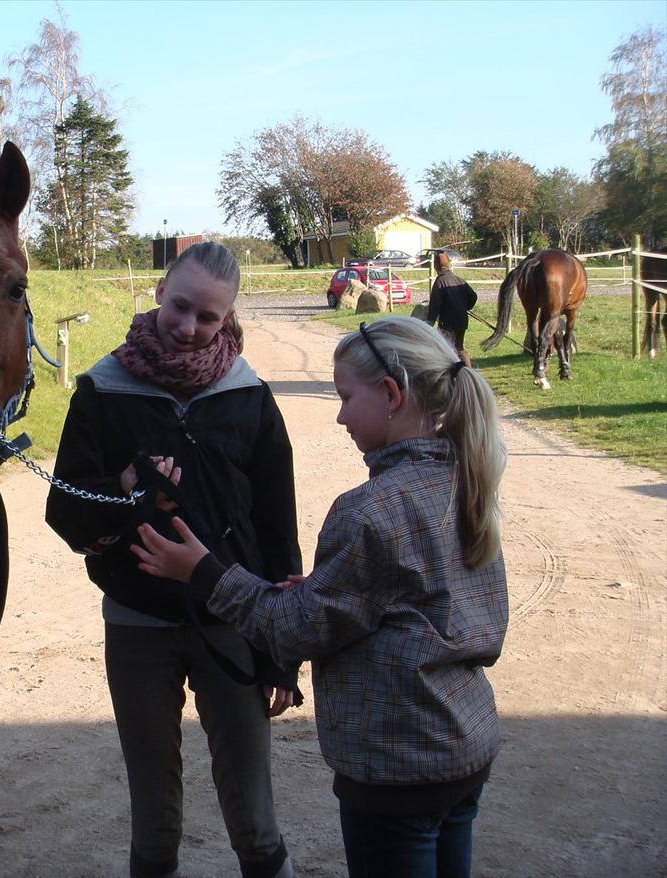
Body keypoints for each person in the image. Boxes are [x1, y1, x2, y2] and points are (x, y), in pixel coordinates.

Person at [132, 316, 509, 878]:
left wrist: (204, 572)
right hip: (462, 749)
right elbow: (417, 602)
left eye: (345, 397)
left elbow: (294, 630)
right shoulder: (465, 478)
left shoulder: (370, 510)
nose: (339, 416)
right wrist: (320, 592)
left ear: (390, 394)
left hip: (397, 767)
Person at [45, 241, 302, 878]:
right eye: (180, 307)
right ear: (160, 291)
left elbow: (278, 527)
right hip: (137, 624)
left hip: (233, 618)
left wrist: (281, 652)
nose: (188, 327)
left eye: (208, 317)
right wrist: (127, 489)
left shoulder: (250, 395)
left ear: (228, 317)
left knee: (255, 815)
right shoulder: (102, 389)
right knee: (154, 818)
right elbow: (66, 512)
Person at [426, 251, 478, 367]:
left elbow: (435, 305)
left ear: (436, 266)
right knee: (459, 347)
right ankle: (468, 371)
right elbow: (473, 296)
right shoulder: (459, 280)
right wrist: (464, 307)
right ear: (448, 264)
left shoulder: (439, 282)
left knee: (446, 348)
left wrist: (429, 322)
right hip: (462, 320)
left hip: (448, 322)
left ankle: (453, 372)